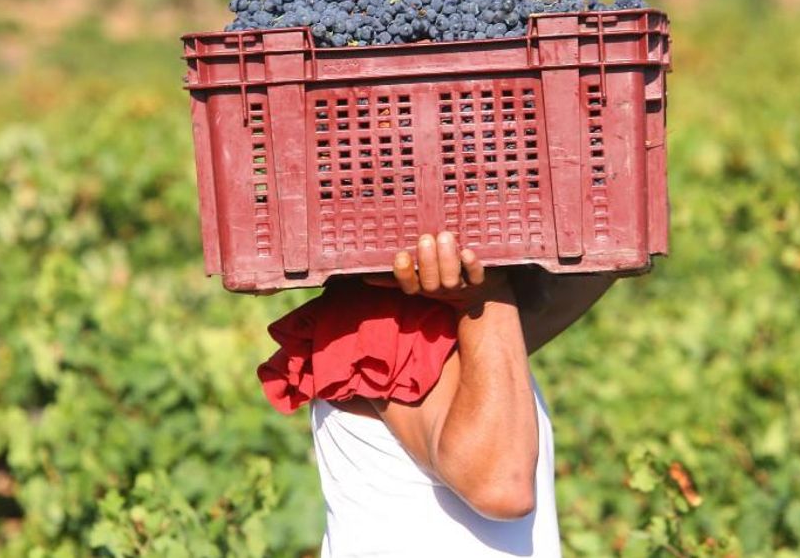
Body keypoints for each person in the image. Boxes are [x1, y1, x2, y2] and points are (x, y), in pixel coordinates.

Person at [258, 231, 616, 557]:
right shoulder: (385, 320)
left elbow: (552, 304)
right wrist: (487, 297)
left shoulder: (468, 324)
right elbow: (500, 486)